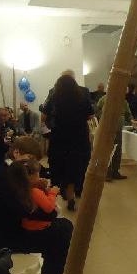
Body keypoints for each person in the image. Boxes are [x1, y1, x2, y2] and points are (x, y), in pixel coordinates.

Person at [0, 136, 73, 274]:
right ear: (16, 153)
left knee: (60, 227)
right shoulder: (5, 178)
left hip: (5, 230)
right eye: (29, 158)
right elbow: (30, 211)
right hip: (3, 241)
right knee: (62, 232)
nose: (31, 164)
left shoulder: (6, 172)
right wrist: (51, 208)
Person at [42, 74, 94, 211]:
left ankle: (61, 193)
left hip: (59, 137)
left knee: (60, 166)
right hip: (79, 138)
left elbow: (44, 116)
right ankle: (71, 194)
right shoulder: (82, 97)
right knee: (75, 167)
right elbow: (90, 115)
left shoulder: (54, 98)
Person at [96, 94, 132, 180]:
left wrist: (131, 120)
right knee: (108, 150)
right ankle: (107, 172)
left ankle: (115, 171)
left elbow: (128, 114)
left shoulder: (123, 101)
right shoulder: (103, 99)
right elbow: (97, 111)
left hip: (117, 127)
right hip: (107, 127)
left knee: (117, 150)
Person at [19, 158, 60, 232]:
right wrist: (53, 192)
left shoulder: (20, 188)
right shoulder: (35, 192)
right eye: (38, 173)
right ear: (31, 177)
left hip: (27, 225)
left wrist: (39, 185)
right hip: (38, 227)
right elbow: (49, 207)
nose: (39, 176)